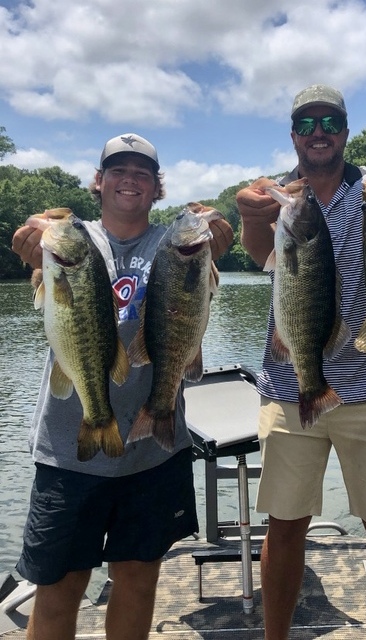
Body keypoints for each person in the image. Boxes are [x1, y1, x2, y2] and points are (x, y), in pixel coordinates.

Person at [236, 85, 366, 640]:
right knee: (284, 527)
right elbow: (259, 252)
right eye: (307, 123)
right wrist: (250, 213)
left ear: (346, 131)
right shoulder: (280, 196)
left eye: (329, 121)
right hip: (291, 383)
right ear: (294, 136)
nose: (319, 131)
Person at [11, 132, 233, 640]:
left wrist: (215, 233)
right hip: (70, 454)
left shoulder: (172, 243)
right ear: (99, 181)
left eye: (142, 174)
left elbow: (209, 242)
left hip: (153, 457)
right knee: (59, 588)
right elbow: (40, 230)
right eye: (118, 170)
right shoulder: (74, 240)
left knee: (136, 582)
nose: (129, 180)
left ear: (157, 188)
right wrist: (34, 238)